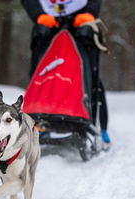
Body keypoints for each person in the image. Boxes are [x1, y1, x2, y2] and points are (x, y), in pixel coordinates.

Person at [21, 0, 110, 144]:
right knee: (43, 71)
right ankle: (40, 118)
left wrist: (89, 13)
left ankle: (96, 124)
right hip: (48, 20)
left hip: (80, 19)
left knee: (87, 73)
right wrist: (38, 15)